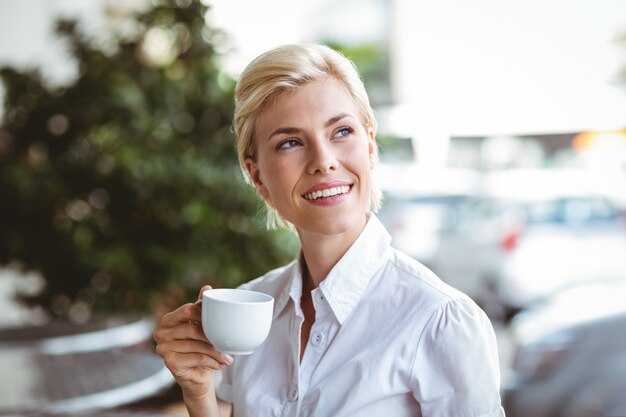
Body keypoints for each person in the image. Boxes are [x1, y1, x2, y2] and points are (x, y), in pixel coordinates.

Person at [154, 44, 505, 417]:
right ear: (257, 175)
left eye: (341, 131)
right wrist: (199, 395)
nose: (323, 161)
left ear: (370, 147)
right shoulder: (249, 314)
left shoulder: (440, 320)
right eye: (290, 142)